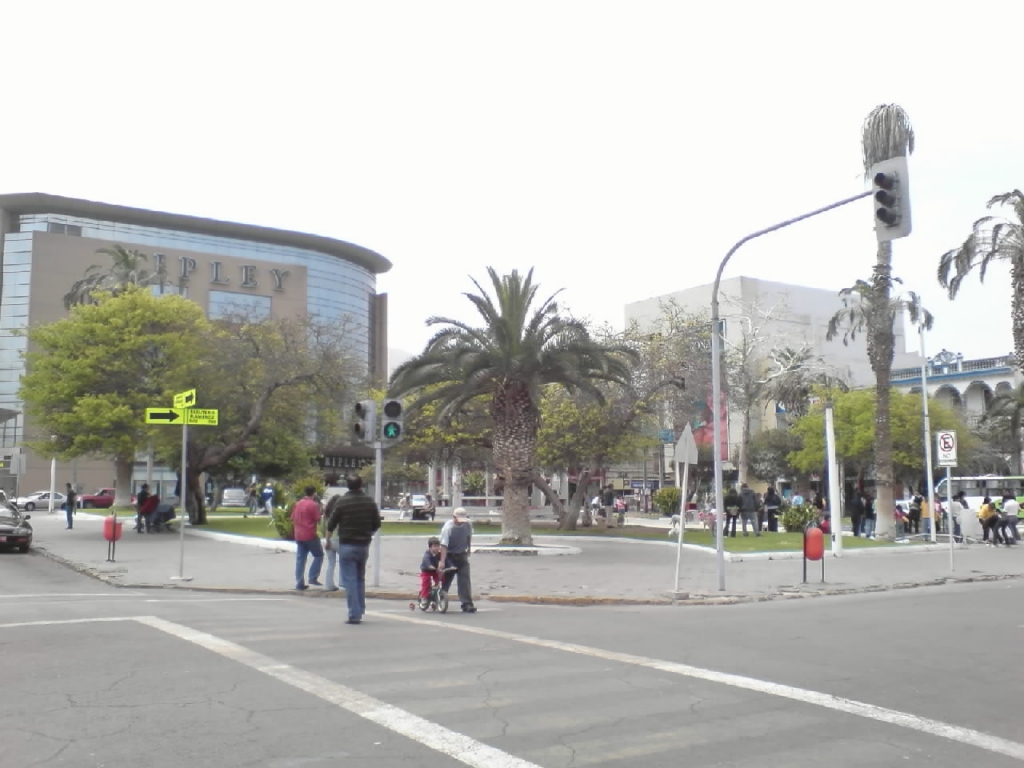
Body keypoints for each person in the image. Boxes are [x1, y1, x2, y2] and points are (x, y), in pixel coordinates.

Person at [326, 475, 381, 624]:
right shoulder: (369, 501)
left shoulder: (342, 501)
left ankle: (354, 614)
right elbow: (377, 523)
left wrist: (328, 540)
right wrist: (369, 533)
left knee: (350, 579)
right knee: (360, 578)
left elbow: (331, 523)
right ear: (361, 484)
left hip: (347, 544)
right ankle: (360, 608)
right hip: (363, 545)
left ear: (347, 485)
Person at [438, 507, 476, 613]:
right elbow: (444, 545)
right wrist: (442, 561)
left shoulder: (468, 524)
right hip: (449, 556)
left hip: (462, 555)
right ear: (454, 517)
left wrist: (469, 548)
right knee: (446, 580)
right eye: (459, 520)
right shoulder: (448, 527)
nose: (461, 522)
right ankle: (439, 599)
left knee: (464, 580)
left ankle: (467, 604)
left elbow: (468, 536)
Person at [290, 486, 323, 590]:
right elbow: (318, 519)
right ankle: (313, 576)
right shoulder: (313, 505)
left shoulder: (298, 504)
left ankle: (299, 582)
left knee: (300, 559)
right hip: (309, 534)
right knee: (319, 555)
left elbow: (292, 517)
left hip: (298, 534)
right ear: (314, 493)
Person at [322, 497, 341, 592]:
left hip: (328, 540)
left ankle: (329, 584)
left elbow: (323, 528)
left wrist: (326, 539)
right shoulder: (339, 514)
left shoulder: (325, 516)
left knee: (331, 563)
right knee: (344, 562)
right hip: (338, 539)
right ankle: (343, 582)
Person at [418, 537, 443, 609]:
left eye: (438, 546)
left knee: (441, 578)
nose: (437, 548)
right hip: (426, 571)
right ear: (430, 547)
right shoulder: (427, 554)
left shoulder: (439, 554)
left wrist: (450, 565)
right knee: (426, 582)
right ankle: (424, 597)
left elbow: (445, 561)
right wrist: (430, 566)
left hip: (435, 570)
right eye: (435, 546)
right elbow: (426, 561)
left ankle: (438, 593)